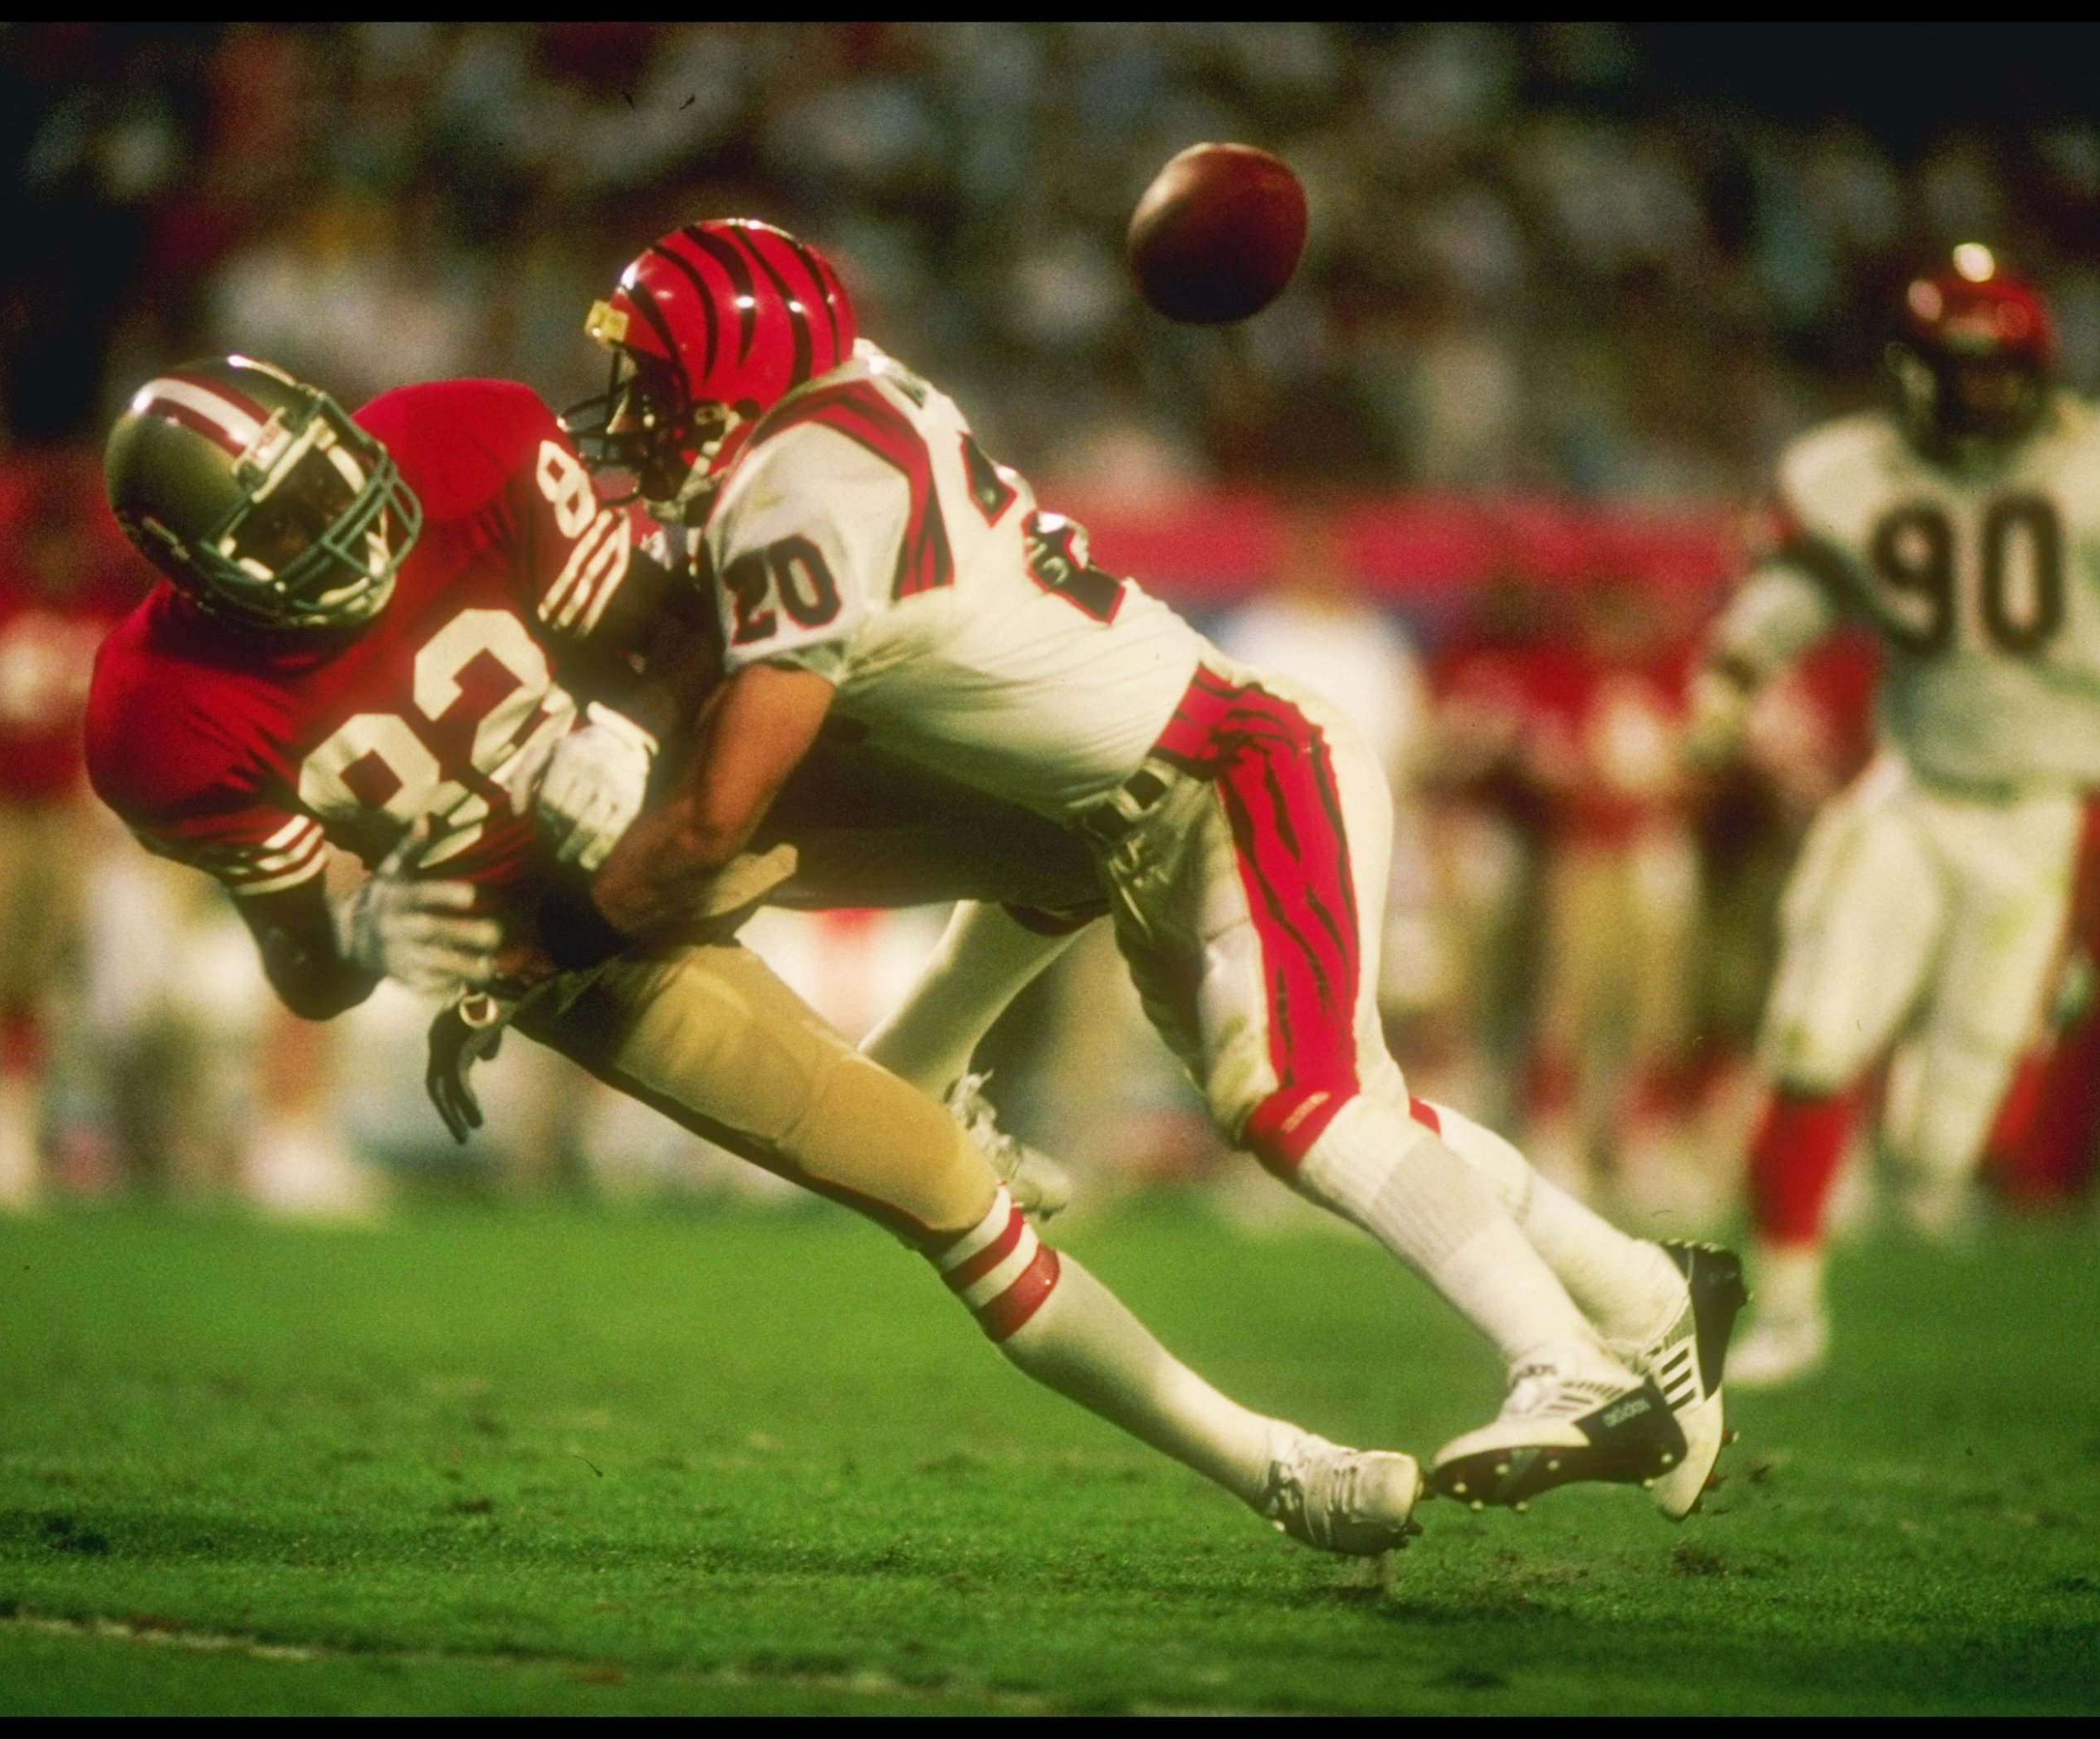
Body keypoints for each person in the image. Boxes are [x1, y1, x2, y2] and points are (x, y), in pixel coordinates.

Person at [85, 353, 1422, 1557]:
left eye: (330, 485)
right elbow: (314, 973)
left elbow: (675, 617)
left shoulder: (464, 442)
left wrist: (634, 739)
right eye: (287, 530)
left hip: (691, 790)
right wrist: (391, 923)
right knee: (945, 1193)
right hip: (564, 949)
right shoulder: (163, 723)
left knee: (1076, 837)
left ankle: (931, 1055)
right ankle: (1273, 1468)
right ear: (195, 570)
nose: (344, 528)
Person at [559, 218, 1744, 1518]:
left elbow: (724, 811)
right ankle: (1645, 1296)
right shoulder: (833, 412)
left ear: (737, 381)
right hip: (1135, 805)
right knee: (1339, 1107)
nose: (632, 412)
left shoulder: (807, 497)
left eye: (657, 379)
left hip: (1235, 772)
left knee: (1303, 1106)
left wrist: (564, 930)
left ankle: (1569, 1365)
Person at [1684, 247, 2100, 1388]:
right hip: (1912, 793)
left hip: (2044, 822)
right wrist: (1730, 677)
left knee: (1941, 1151)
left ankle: (2058, 991)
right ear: (1908, 372)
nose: (1977, 395)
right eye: (1956, 371)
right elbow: (1802, 592)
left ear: (2039, 371)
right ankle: (1791, 1308)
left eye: (1998, 372)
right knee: (1810, 1031)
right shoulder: (1854, 473)